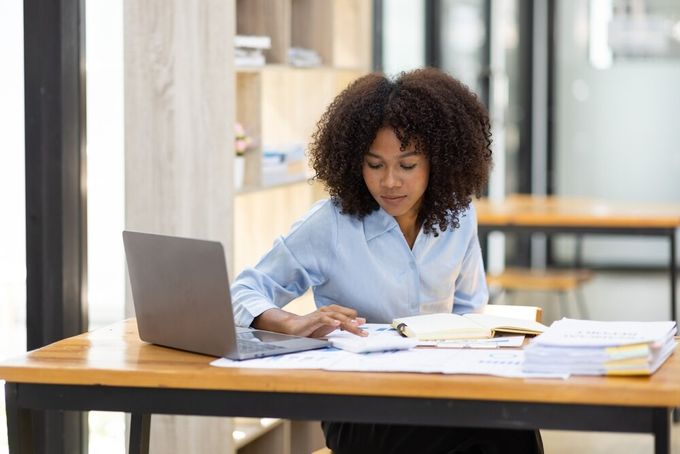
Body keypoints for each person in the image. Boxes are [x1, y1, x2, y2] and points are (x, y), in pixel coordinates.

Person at [231, 67, 543, 454]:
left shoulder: (459, 216)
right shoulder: (330, 224)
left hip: (441, 391)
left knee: (513, 426)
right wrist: (291, 322)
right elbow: (242, 291)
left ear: (438, 162)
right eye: (375, 165)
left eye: (407, 166)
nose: (390, 181)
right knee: (491, 436)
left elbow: (469, 310)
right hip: (360, 406)